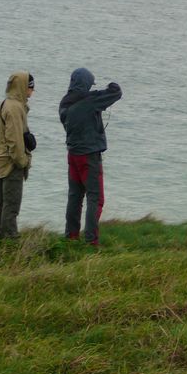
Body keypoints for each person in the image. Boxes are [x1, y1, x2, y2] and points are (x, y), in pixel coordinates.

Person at [59, 68, 122, 245]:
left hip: (73, 155)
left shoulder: (64, 104)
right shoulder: (90, 101)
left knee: (75, 197)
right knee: (96, 198)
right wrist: (110, 84)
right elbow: (116, 92)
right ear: (85, 84)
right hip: (89, 157)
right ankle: (91, 240)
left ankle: (71, 236)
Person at [0, 71, 35, 239]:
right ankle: (10, 239)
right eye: (31, 87)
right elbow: (15, 141)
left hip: (0, 159)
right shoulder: (15, 108)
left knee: (0, 202)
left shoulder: (4, 104)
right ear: (23, 87)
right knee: (12, 204)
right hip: (11, 163)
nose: (32, 91)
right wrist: (22, 162)